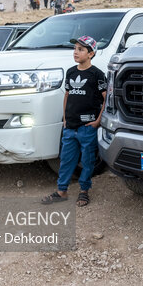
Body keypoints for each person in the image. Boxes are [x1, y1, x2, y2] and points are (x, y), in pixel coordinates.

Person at [41, 36, 106, 208]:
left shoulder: (97, 74)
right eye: (75, 49)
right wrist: (64, 118)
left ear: (91, 54)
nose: (76, 52)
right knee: (66, 160)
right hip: (70, 126)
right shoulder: (70, 72)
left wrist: (98, 121)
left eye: (81, 49)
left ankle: (84, 191)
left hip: (87, 127)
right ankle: (61, 191)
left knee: (87, 160)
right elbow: (67, 95)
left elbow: (106, 99)